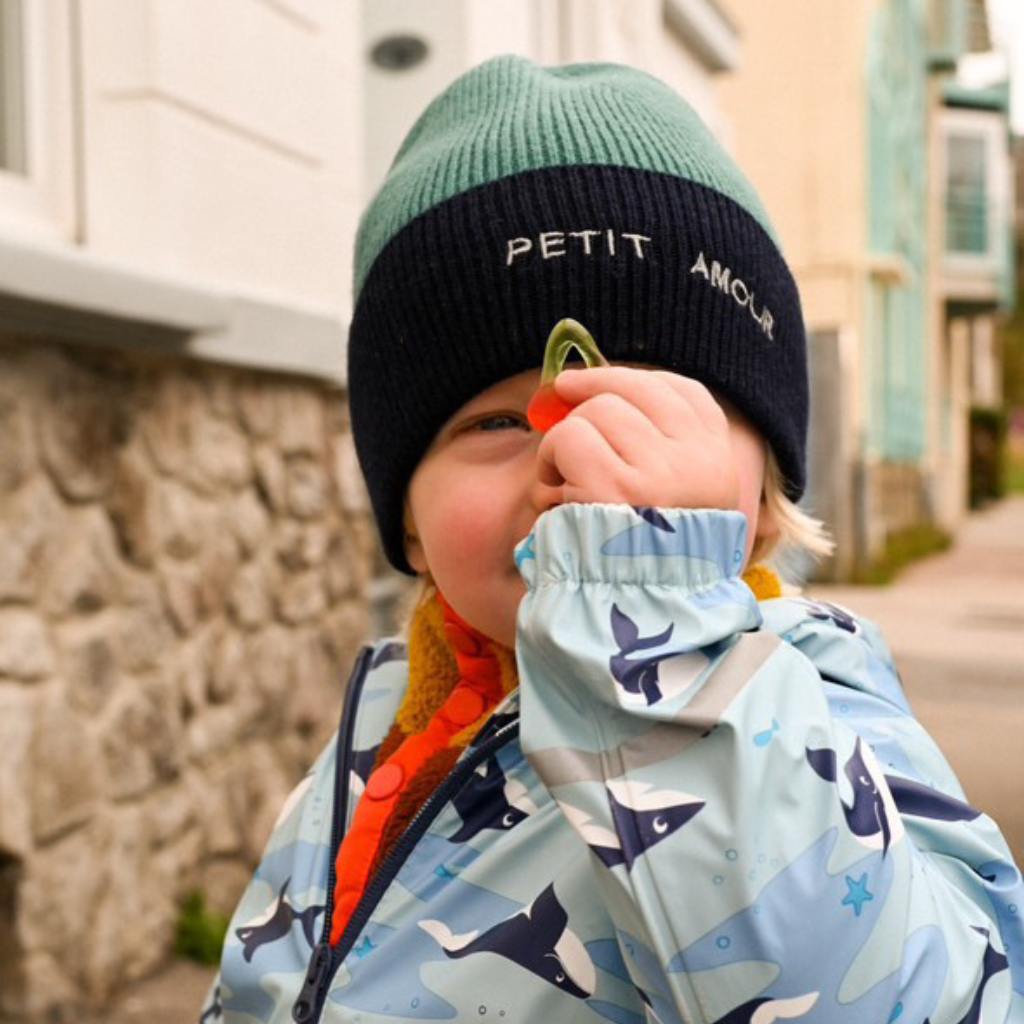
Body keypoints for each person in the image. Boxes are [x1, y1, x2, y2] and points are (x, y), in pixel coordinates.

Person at [200, 54, 1023, 1023]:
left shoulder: (816, 694)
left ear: (759, 501)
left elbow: (933, 1000)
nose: (575, 458)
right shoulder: (384, 723)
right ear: (410, 526)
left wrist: (653, 618)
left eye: (646, 413)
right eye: (497, 423)